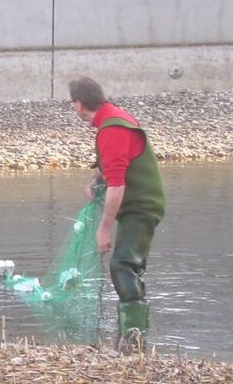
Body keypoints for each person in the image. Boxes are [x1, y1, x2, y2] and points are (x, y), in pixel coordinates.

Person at [68, 76, 165, 340]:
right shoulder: (113, 118)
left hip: (141, 206)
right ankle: (135, 334)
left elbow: (118, 185)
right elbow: (116, 164)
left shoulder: (111, 128)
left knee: (124, 265)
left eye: (73, 104)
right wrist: (97, 177)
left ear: (78, 105)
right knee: (128, 264)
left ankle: (134, 339)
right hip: (139, 205)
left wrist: (104, 228)